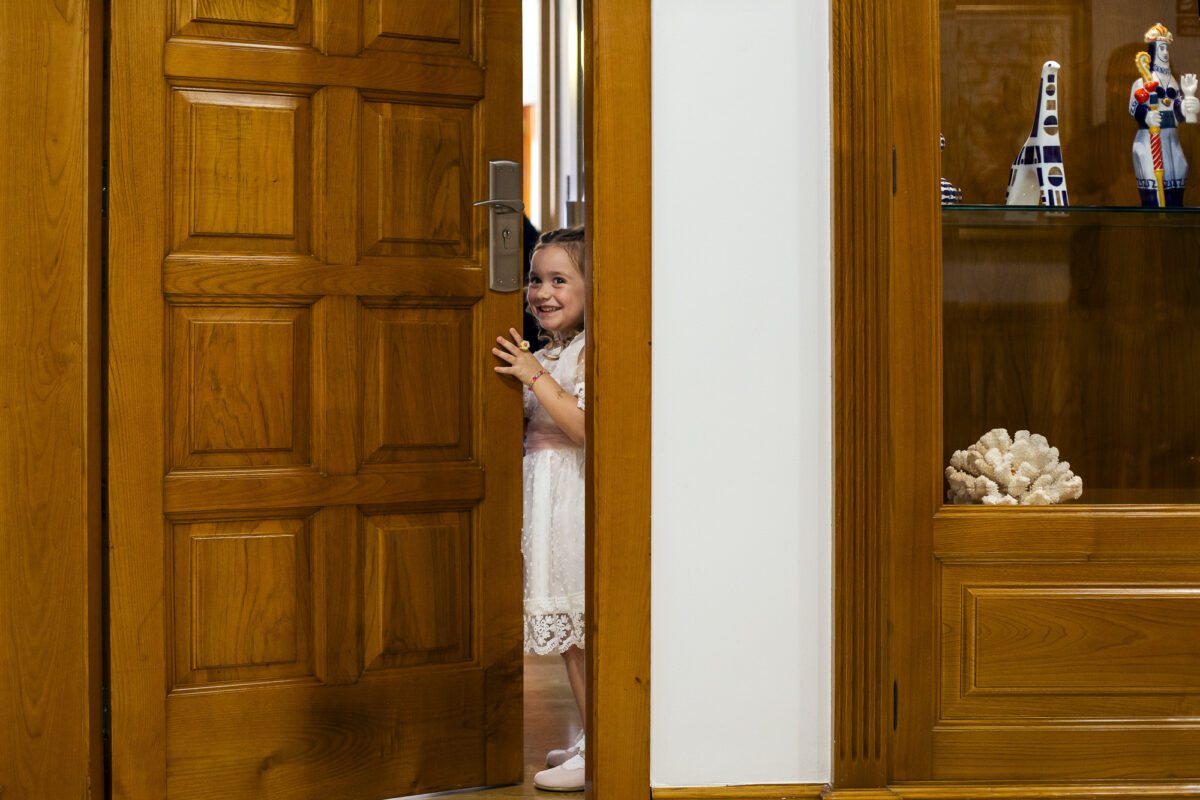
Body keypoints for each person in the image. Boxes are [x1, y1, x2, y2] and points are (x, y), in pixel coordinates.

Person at [491, 226, 588, 792]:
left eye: (559, 280)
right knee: (568, 633)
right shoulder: (553, 349)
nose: (542, 292)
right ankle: (586, 734)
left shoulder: (581, 352)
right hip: (545, 498)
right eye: (535, 279)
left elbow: (582, 428)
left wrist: (535, 376)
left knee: (579, 628)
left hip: (572, 496)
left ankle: (601, 744)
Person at [1130, 23, 1200, 207]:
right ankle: (1155, 212)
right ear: (1153, 50)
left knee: (1179, 170)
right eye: (1161, 48)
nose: (1165, 53)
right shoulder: (1142, 80)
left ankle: (1173, 211)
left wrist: (1189, 103)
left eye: (1166, 48)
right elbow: (1134, 106)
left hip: (1171, 139)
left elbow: (1178, 111)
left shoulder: (1174, 82)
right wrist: (1146, 116)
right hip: (1149, 138)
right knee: (1153, 175)